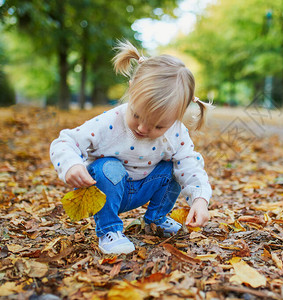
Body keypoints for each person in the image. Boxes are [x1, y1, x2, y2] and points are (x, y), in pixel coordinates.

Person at [50, 40, 212, 255]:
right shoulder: (110, 123)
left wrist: (200, 199)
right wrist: (71, 165)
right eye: (136, 115)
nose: (143, 128)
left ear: (177, 116)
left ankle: (156, 220)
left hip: (144, 186)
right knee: (109, 166)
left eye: (158, 125)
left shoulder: (176, 133)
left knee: (174, 166)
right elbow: (65, 141)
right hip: (106, 189)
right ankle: (109, 230)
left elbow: (190, 166)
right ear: (131, 90)